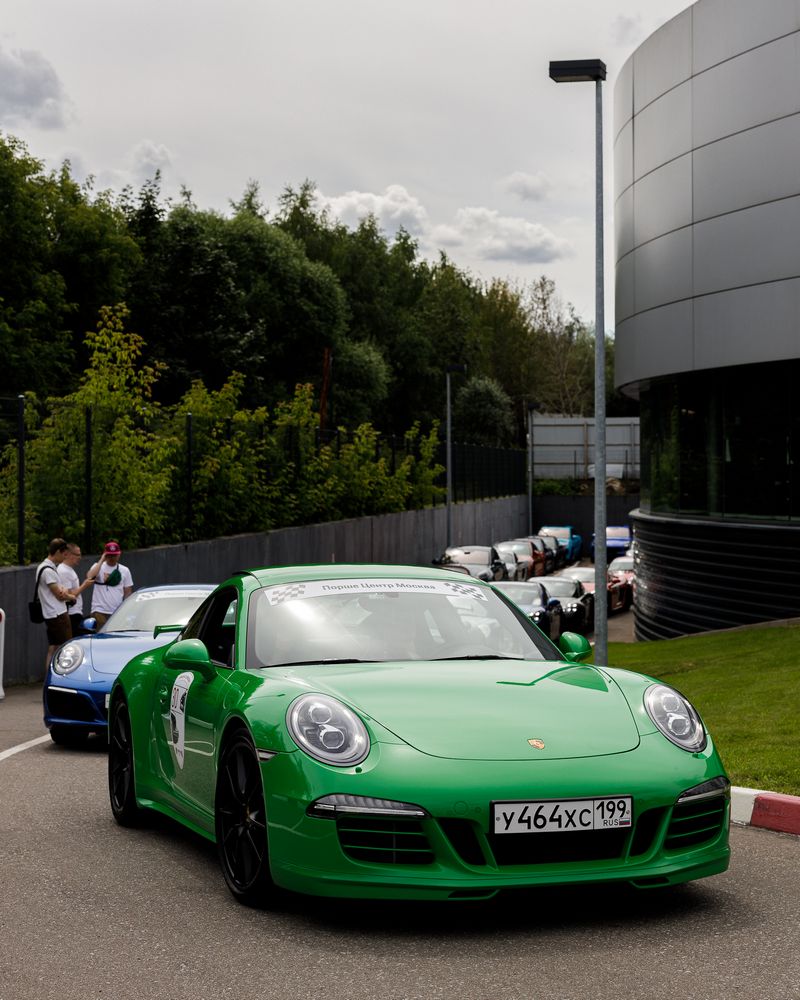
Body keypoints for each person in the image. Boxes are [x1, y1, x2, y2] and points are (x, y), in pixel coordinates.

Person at [36, 538, 73, 671]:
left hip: (52, 613)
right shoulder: (48, 571)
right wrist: (71, 597)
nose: (65, 558)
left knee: (54, 647)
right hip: (57, 614)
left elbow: (60, 589)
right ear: (57, 552)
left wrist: (63, 591)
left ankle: (49, 675)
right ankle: (59, 675)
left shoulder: (46, 568)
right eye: (64, 554)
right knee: (65, 648)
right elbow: (60, 595)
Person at [88, 540, 133, 629]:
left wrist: (125, 610)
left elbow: (128, 592)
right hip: (99, 610)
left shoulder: (125, 570)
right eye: (109, 555)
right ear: (105, 554)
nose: (112, 557)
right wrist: (101, 560)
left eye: (114, 555)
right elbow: (90, 576)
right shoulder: (98, 567)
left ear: (119, 554)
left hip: (117, 612)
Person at [58, 542, 97, 637]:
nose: (80, 557)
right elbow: (69, 595)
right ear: (68, 554)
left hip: (76, 612)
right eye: (77, 555)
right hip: (71, 613)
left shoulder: (69, 569)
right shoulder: (63, 571)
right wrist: (84, 585)